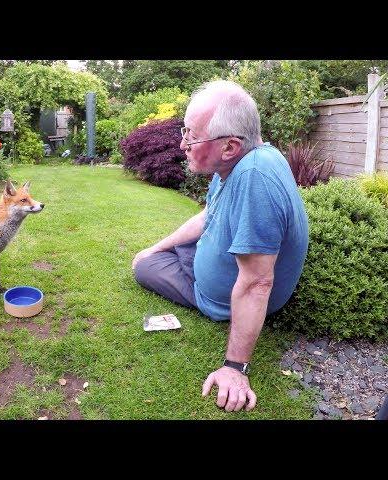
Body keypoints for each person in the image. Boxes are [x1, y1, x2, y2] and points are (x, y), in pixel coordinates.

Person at [132, 80, 309, 413]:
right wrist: (156, 246)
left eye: (191, 136)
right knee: (159, 255)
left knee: (144, 268)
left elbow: (258, 282)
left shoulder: (255, 178)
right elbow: (207, 217)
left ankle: (196, 284)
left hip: (221, 298)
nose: (183, 144)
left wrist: (235, 368)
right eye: (184, 131)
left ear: (230, 146)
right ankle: (181, 261)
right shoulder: (235, 164)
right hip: (221, 266)